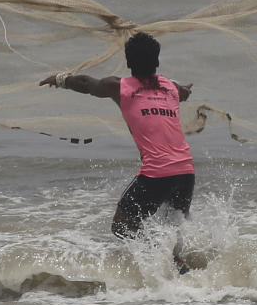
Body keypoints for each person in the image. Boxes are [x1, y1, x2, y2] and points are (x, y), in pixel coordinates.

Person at [40, 32, 196, 273]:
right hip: (186, 171)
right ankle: (185, 278)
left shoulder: (120, 87)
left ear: (129, 63)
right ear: (157, 63)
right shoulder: (171, 88)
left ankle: (165, 261)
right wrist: (185, 89)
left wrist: (60, 79)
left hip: (157, 173)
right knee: (172, 225)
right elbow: (184, 93)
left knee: (122, 225)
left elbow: (85, 84)